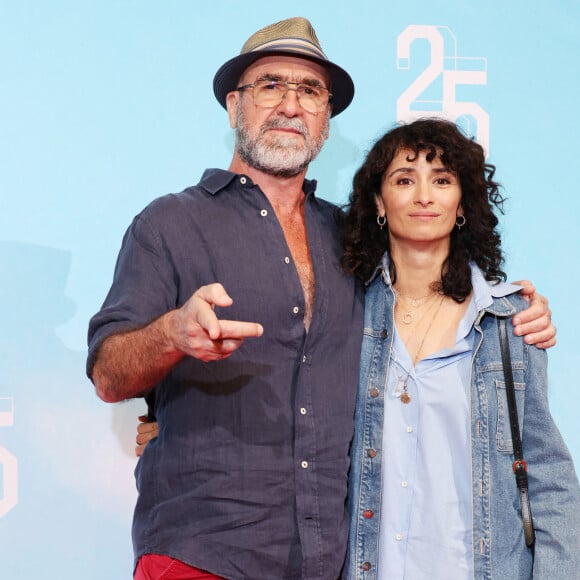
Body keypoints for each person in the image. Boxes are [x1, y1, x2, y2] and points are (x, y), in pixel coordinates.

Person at [87, 17, 555, 580]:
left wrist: (512, 309)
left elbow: (428, 305)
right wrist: (170, 336)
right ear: (235, 107)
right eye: (270, 86)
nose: (290, 104)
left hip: (330, 560)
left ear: (327, 119)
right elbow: (110, 376)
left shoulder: (350, 242)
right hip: (203, 554)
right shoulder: (170, 224)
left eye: (309, 90)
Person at [341, 118, 580, 579]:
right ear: (378, 202)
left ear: (462, 202)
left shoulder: (509, 321)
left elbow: (549, 478)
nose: (424, 195)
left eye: (442, 180)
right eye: (405, 179)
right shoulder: (348, 314)